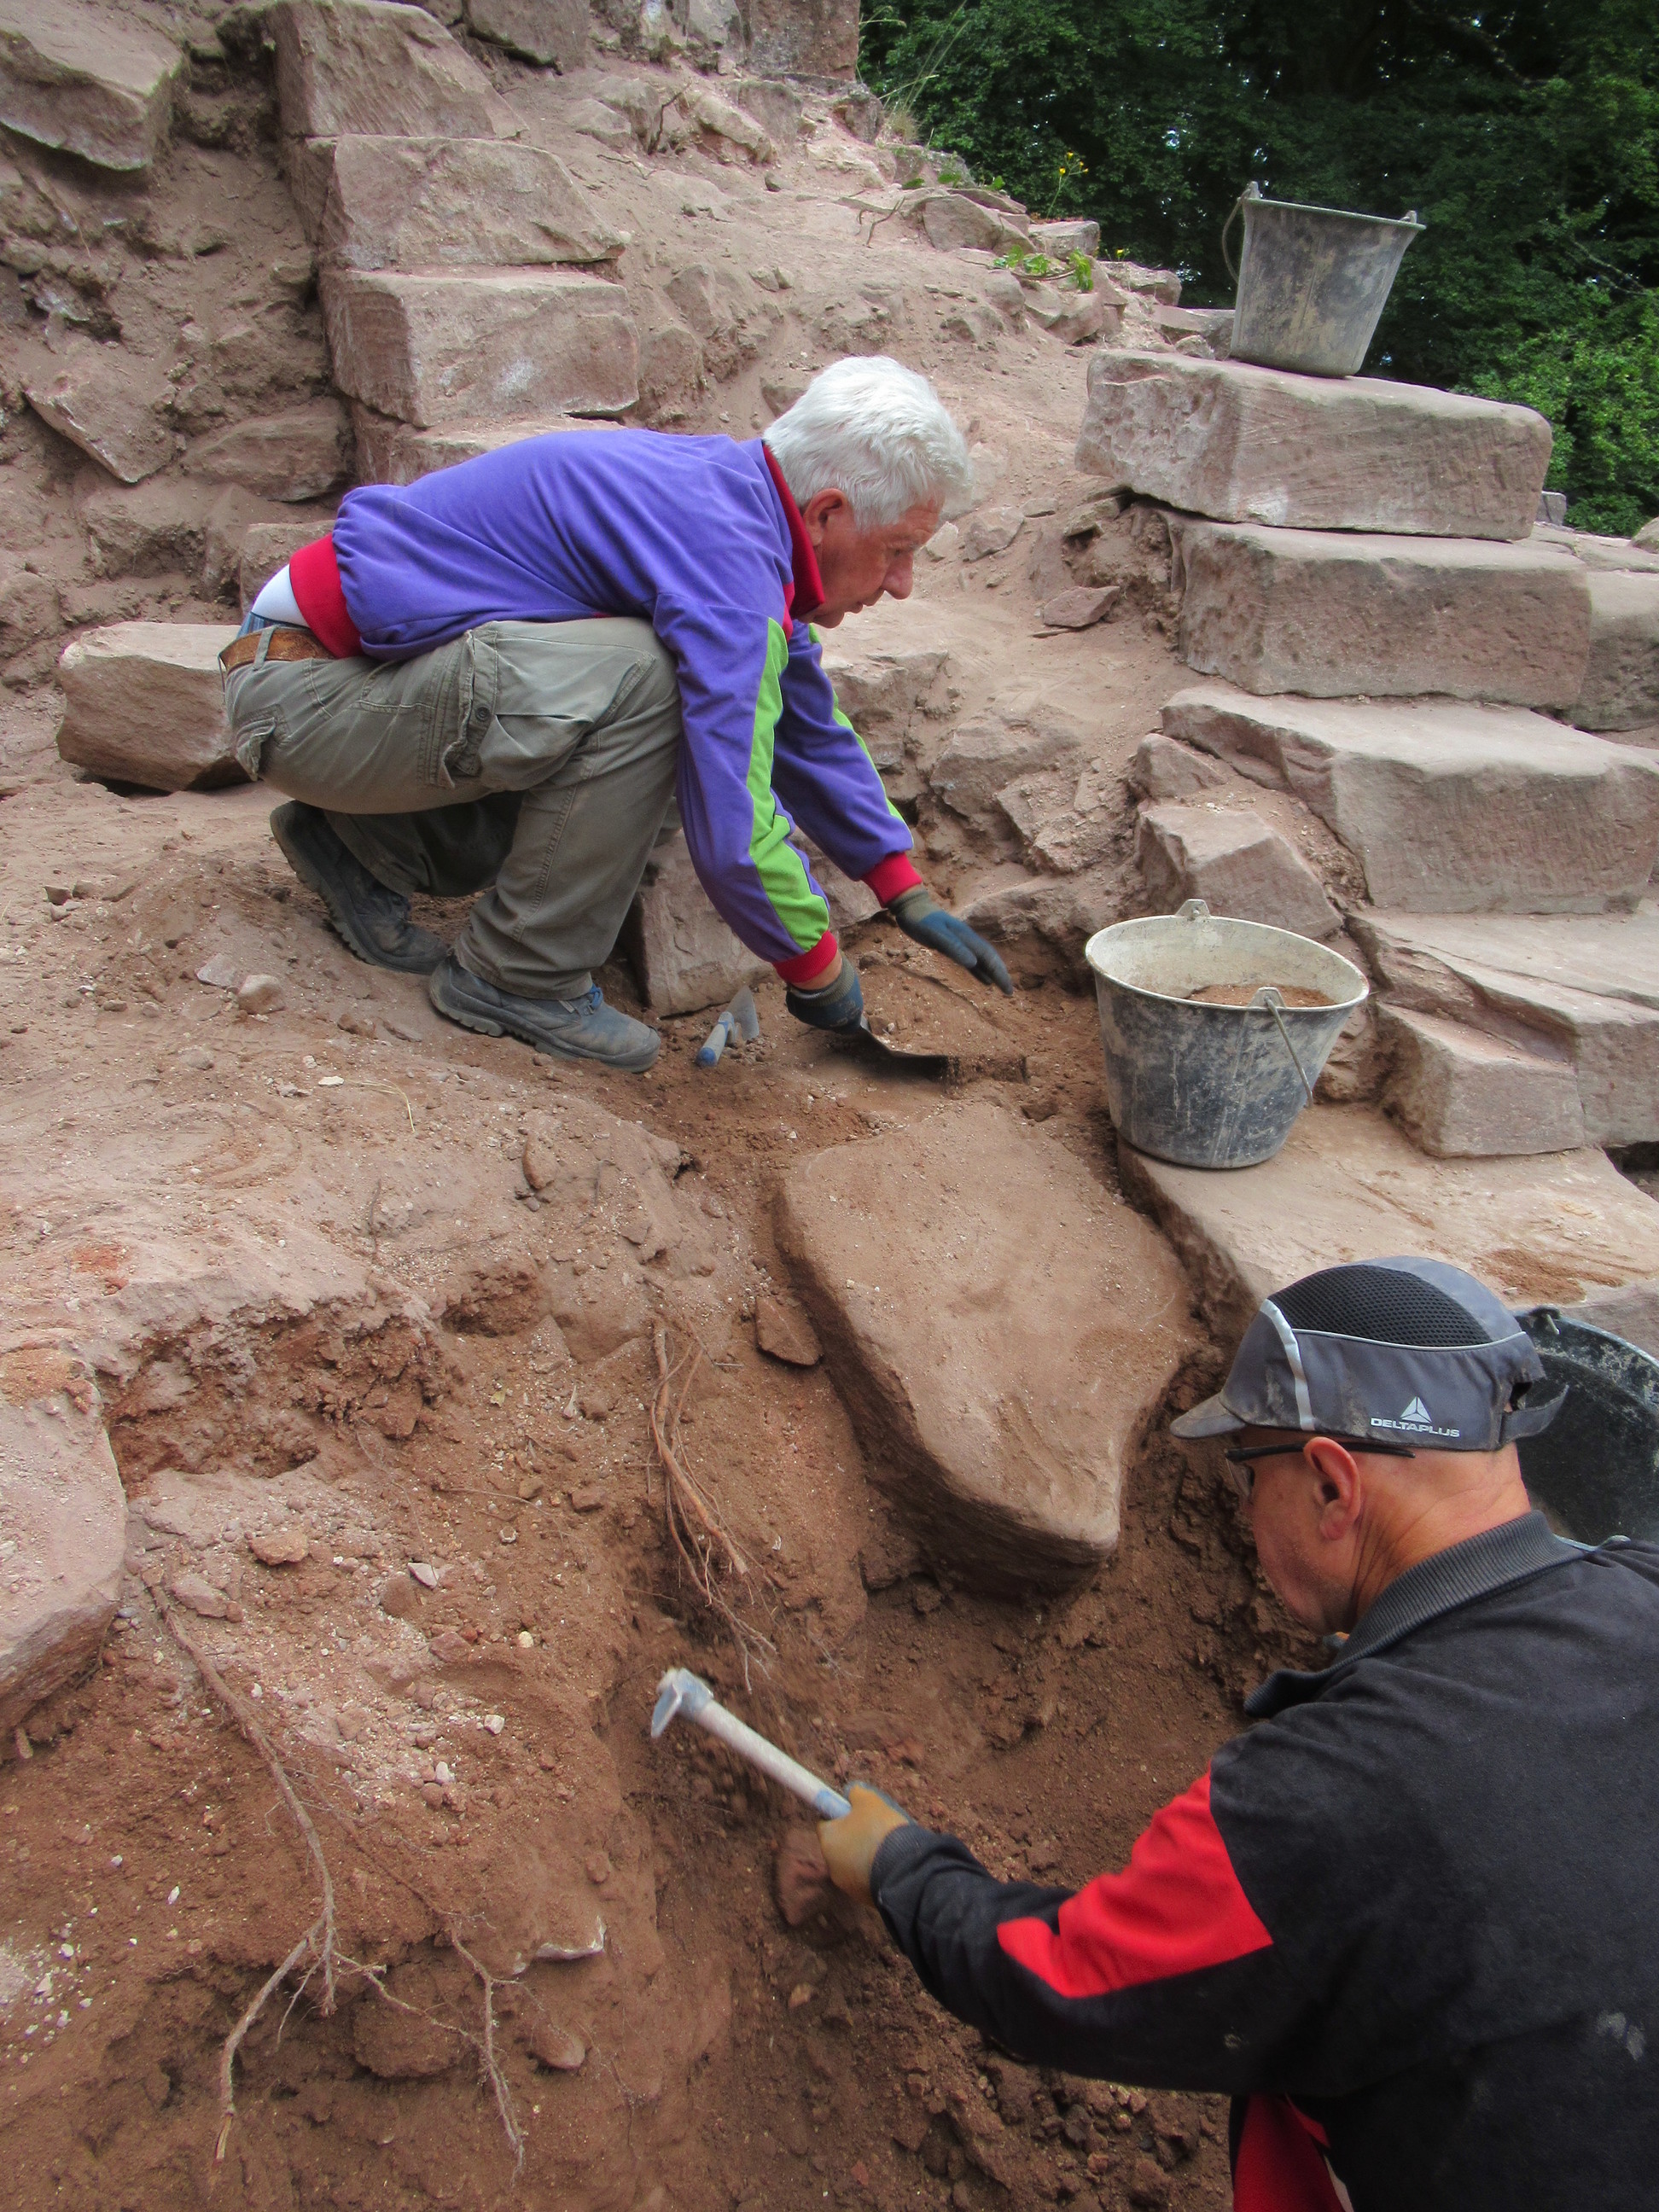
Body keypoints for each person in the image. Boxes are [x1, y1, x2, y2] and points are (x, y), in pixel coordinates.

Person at [818, 1257, 1659, 2210]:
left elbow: (1063, 1980)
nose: (1250, 1506)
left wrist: (900, 1869)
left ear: (1333, 1486)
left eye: (1250, 1470)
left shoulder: (1327, 1795)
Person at [218, 356, 1010, 1072]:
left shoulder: (737, 509)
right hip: (304, 697)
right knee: (655, 684)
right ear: (827, 513)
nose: (902, 583)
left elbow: (803, 726)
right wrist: (818, 971)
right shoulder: (728, 567)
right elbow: (734, 832)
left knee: (662, 692)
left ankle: (367, 853)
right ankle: (518, 976)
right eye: (897, 550)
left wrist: (901, 887)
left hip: (338, 691)